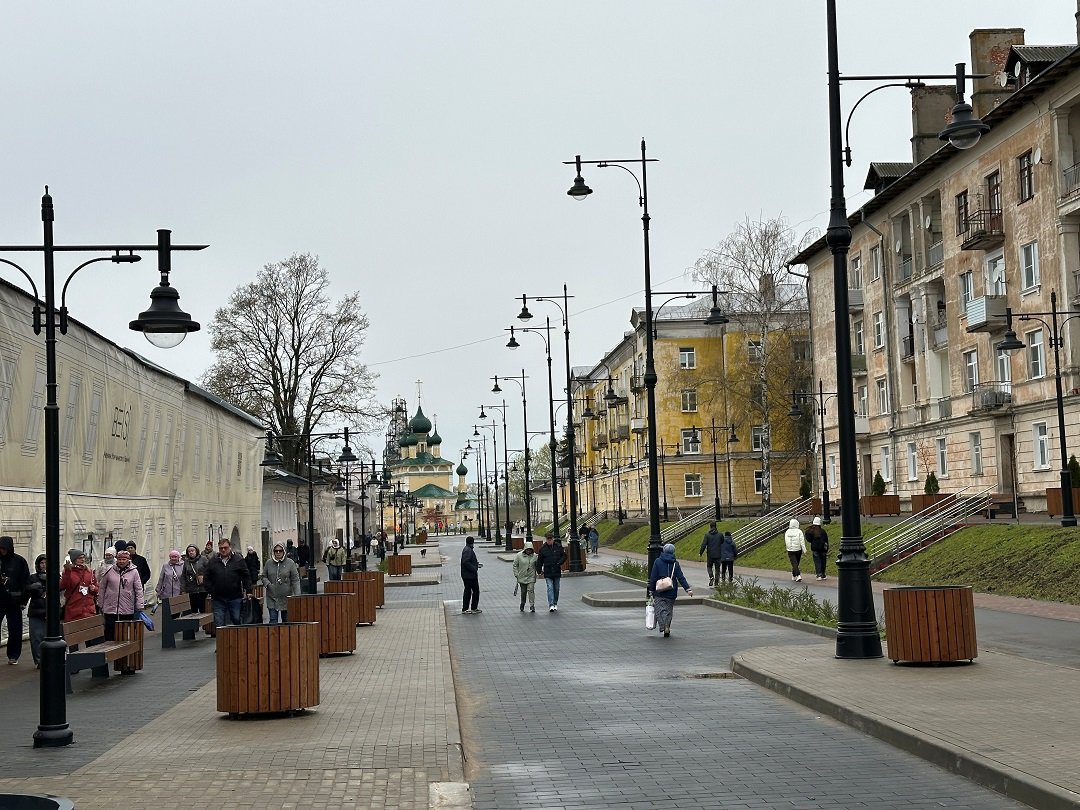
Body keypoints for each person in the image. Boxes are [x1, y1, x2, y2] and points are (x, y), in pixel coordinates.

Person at [202, 538, 253, 628]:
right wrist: (211, 590)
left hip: (235, 597)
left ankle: (236, 636)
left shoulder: (238, 560)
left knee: (236, 620)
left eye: (225, 547)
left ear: (230, 547)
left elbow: (246, 576)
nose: (223, 550)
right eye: (221, 548)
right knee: (219, 623)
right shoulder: (213, 561)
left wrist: (248, 590)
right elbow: (206, 576)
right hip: (218, 598)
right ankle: (221, 637)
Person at [96, 549, 144, 641]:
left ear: (128, 560)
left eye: (124, 559)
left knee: (124, 632)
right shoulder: (110, 570)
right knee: (110, 631)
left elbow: (138, 589)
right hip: (110, 606)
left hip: (126, 606)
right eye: (119, 559)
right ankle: (110, 648)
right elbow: (102, 587)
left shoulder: (134, 572)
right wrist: (100, 603)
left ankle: (124, 648)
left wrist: (139, 604)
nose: (121, 561)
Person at [647, 542, 693, 638]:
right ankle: (667, 625)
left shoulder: (658, 561)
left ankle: (664, 625)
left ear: (663, 550)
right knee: (668, 610)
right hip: (671, 590)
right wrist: (688, 589)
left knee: (659, 609)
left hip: (659, 590)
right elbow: (681, 577)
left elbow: (653, 576)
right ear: (673, 552)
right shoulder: (675, 563)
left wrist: (651, 590)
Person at [0, 536, 30, 665]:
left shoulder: (19, 561)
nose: (2, 551)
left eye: (4, 548)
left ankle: (13, 655)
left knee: (15, 629)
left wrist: (24, 600)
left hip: (14, 600)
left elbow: (25, 582)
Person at [261, 542, 301, 623]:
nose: (278, 552)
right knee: (273, 620)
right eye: (276, 551)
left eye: (280, 550)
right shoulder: (269, 563)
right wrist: (268, 584)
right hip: (272, 597)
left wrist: (297, 595)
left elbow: (295, 580)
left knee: (286, 620)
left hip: (286, 597)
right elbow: (263, 576)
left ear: (284, 551)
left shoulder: (290, 563)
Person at [60, 548, 98, 621]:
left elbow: (97, 587)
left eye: (83, 557)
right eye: (79, 558)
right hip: (74, 610)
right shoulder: (69, 572)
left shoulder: (89, 572)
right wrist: (67, 572)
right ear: (74, 560)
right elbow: (63, 586)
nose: (82, 560)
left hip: (89, 610)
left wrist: (94, 589)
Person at [535, 532, 566, 612]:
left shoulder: (558, 546)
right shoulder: (543, 548)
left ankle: (555, 603)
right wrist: (539, 570)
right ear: (546, 539)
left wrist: (559, 563)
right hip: (548, 571)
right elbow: (539, 560)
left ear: (553, 539)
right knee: (550, 587)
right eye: (548, 539)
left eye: (550, 539)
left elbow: (564, 556)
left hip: (556, 570)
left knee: (556, 588)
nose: (549, 541)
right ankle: (551, 604)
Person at [26, 555, 47, 668]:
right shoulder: (33, 577)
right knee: (36, 637)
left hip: (49, 611)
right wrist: (32, 588)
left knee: (47, 636)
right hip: (36, 610)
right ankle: (39, 660)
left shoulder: (55, 576)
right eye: (42, 563)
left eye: (46, 563)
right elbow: (26, 591)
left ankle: (48, 659)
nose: (44, 565)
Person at [180, 544, 208, 612]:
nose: (191, 552)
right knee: (193, 610)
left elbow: (210, 571)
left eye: (192, 551)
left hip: (203, 589)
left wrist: (204, 577)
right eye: (189, 551)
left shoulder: (203, 559)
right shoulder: (186, 562)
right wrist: (183, 589)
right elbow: (183, 576)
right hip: (191, 589)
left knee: (203, 609)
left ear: (196, 551)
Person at [511, 544, 537, 613]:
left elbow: (537, 565)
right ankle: (522, 603)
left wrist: (540, 571)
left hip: (531, 576)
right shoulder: (519, 555)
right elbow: (515, 565)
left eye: (530, 550)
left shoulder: (535, 556)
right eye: (527, 549)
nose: (529, 551)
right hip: (522, 576)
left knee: (531, 590)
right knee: (523, 592)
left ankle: (532, 605)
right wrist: (516, 574)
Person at [460, 536, 482, 614]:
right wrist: (474, 568)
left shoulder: (467, 549)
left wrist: (476, 564)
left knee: (473, 591)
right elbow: (466, 562)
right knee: (470, 591)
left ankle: (473, 607)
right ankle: (466, 608)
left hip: (469, 574)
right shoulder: (468, 550)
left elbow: (468, 561)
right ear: (472, 542)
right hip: (469, 575)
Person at [698, 522, 723, 586]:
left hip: (710, 555)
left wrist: (700, 553)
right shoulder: (720, 535)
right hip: (718, 554)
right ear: (716, 526)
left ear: (710, 527)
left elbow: (703, 545)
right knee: (717, 568)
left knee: (709, 566)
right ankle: (716, 582)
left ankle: (711, 577)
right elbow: (722, 542)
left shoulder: (707, 535)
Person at [784, 518, 807, 583]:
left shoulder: (787, 531)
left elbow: (786, 540)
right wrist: (804, 550)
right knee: (796, 562)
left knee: (794, 563)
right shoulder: (799, 531)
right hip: (798, 549)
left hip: (790, 550)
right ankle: (798, 575)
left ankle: (794, 574)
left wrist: (788, 547)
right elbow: (802, 541)